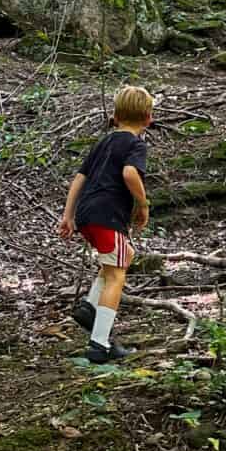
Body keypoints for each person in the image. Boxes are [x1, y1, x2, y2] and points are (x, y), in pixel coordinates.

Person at [57, 85, 152, 364]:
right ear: (148, 117)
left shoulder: (104, 142)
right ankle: (99, 344)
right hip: (108, 215)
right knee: (117, 275)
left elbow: (79, 178)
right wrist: (143, 205)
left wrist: (68, 215)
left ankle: (89, 308)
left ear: (116, 115)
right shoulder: (135, 144)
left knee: (124, 256)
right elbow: (130, 173)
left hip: (87, 214)